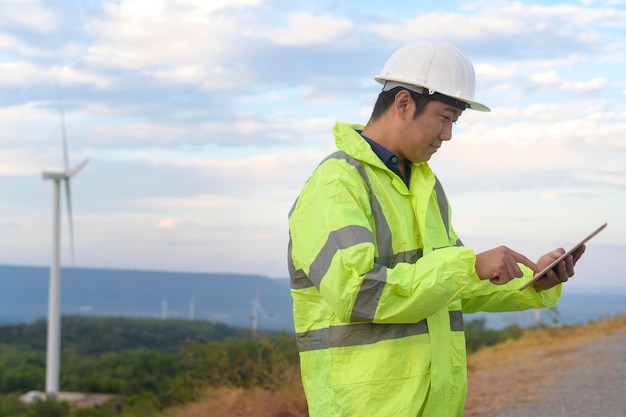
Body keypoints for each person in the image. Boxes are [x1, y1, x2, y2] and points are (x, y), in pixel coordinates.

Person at [287, 40, 585, 417]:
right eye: (444, 118)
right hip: (364, 407)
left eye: (453, 122)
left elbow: (451, 290)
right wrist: (467, 266)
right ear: (404, 104)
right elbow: (356, 292)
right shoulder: (336, 185)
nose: (447, 135)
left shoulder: (425, 186)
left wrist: (533, 282)